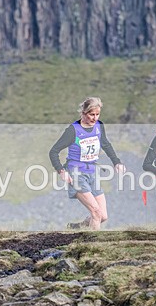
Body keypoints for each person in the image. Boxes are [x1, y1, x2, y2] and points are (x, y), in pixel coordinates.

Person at [49, 97, 126, 230]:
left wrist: (116, 162)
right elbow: (53, 151)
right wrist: (61, 171)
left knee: (103, 216)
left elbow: (106, 144)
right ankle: (94, 246)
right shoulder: (73, 130)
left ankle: (78, 227)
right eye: (91, 114)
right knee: (96, 213)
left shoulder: (99, 126)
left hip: (92, 172)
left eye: (97, 114)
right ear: (83, 113)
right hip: (76, 174)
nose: (94, 118)